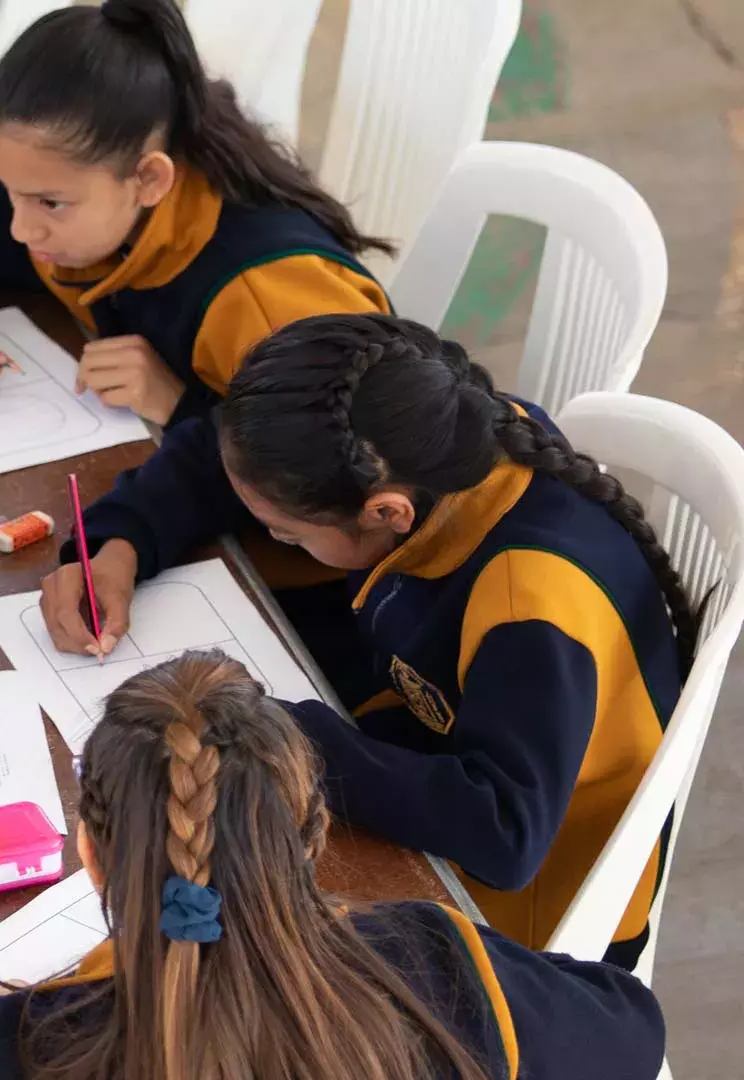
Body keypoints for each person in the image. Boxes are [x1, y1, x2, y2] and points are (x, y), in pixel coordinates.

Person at [41, 314, 693, 967]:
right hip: (419, 746)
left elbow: (504, 834)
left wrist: (295, 739)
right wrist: (119, 541)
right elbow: (231, 460)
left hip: (534, 915)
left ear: (386, 513)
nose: (275, 539)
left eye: (289, 535)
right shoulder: (434, 439)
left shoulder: (530, 605)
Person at [0, 653, 667, 1080]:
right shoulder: (440, 970)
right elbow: (630, 1026)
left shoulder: (23, 1049)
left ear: (92, 857)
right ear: (314, 834)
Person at [0, 0, 388, 424]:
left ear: (149, 179)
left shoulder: (265, 300)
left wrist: (180, 405)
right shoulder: (61, 178)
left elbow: (359, 481)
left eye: (49, 204)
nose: (20, 228)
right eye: (8, 189)